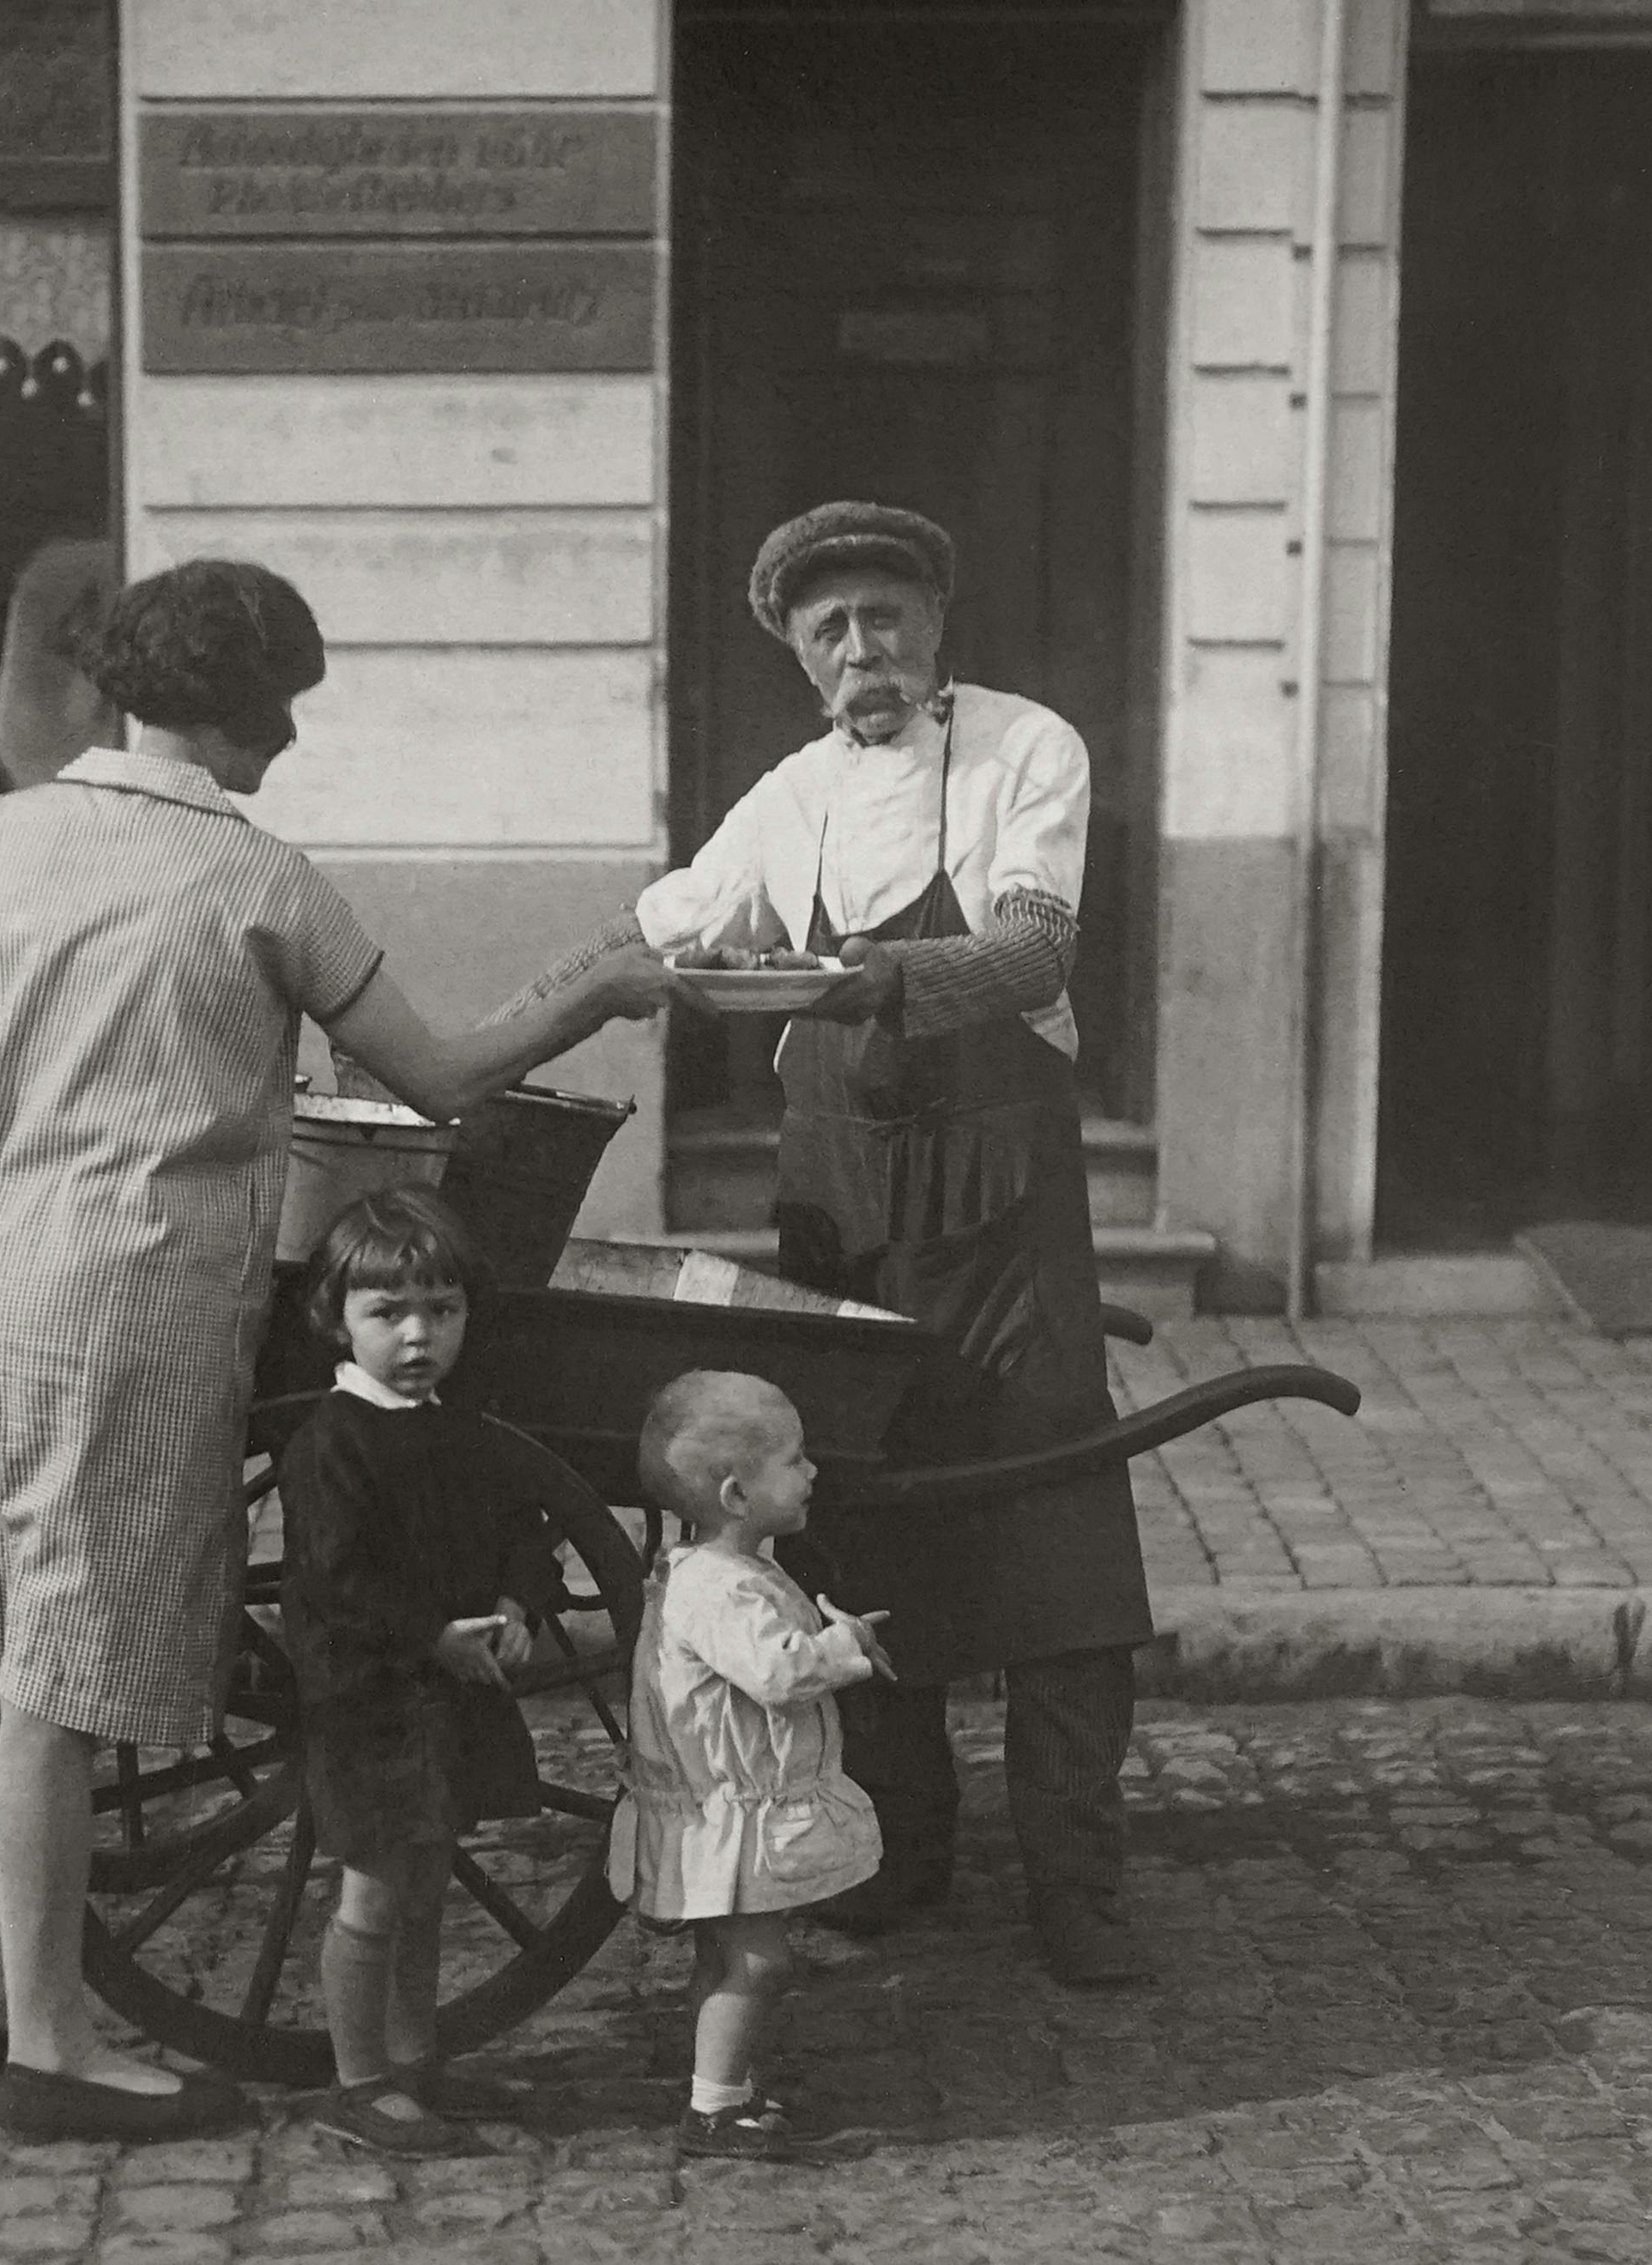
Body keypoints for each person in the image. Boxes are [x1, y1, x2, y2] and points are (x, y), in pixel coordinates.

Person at [0, 556, 675, 2142]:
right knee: (50, 1678)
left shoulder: (2, 831)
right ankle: (55, 2051)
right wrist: (591, 990)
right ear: (237, 713)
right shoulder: (260, 880)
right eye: (282, 711)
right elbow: (441, 1081)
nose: (288, 743)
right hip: (117, 1298)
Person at [507, 500, 1154, 1987]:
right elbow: (656, 929)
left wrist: (874, 976)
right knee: (854, 1516)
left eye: (883, 616)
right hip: (838, 1221)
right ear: (799, 659)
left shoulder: (1021, 747)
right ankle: (901, 1852)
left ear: (932, 623)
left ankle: (1076, 1878)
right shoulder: (789, 795)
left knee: (1054, 1526)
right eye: (829, 629)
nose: (860, 648)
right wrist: (484, 1038)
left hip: (1000, 1215)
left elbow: (1035, 946)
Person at [278, 1187, 570, 2159]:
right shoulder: (333, 1441)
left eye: (440, 1311)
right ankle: (356, 2082)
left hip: (448, 1695)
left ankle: (414, 2058)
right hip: (372, 1702)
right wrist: (432, 1633)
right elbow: (337, 1580)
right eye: (387, 1312)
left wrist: (523, 1604)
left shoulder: (461, 1427)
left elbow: (521, 1528)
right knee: (373, 1887)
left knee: (428, 1877)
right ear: (338, 1319)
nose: (416, 1335)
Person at [612, 1371, 890, 2164]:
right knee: (759, 1961)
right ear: (737, 1494)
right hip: (731, 1813)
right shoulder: (721, 1590)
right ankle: (712, 2109)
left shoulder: (720, 1571)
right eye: (796, 1460)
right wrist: (841, 1649)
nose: (812, 1474)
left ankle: (723, 2084)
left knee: (727, 1956)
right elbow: (778, 1675)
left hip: (724, 1806)